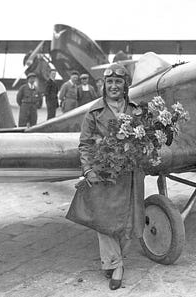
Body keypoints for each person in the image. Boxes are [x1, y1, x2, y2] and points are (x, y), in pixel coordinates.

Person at [67, 64, 143, 290]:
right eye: (109, 82)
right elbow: (85, 144)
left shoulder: (135, 110)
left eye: (118, 82)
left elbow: (143, 139)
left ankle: (114, 260)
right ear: (104, 85)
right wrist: (88, 170)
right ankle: (116, 265)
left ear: (125, 85)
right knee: (104, 221)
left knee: (130, 221)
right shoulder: (94, 112)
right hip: (103, 175)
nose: (113, 86)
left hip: (130, 175)